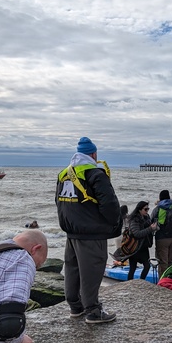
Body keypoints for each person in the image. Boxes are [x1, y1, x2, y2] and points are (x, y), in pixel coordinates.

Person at [56, 136, 121, 324]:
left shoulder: (64, 174)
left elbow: (58, 202)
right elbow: (109, 204)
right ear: (93, 154)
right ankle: (93, 310)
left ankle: (75, 307)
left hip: (72, 232)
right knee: (91, 271)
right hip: (92, 233)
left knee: (73, 269)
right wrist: (113, 224)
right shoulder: (95, 174)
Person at [150, 190, 172, 277]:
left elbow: (150, 224)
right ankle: (170, 279)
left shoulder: (158, 209)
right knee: (170, 261)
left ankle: (163, 282)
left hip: (162, 239)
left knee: (163, 262)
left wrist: (149, 240)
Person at [125, 201, 157, 281]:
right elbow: (137, 234)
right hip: (135, 247)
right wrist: (150, 229)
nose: (147, 211)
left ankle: (141, 281)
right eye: (145, 209)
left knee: (147, 266)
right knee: (132, 268)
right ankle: (130, 284)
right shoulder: (134, 220)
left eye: (148, 209)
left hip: (144, 247)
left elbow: (148, 230)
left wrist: (155, 227)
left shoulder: (147, 218)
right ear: (139, 210)